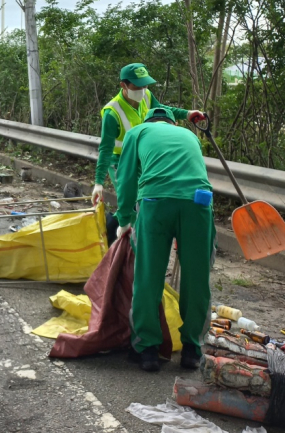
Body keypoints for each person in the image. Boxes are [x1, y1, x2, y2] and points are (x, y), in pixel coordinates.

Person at [115, 105, 213, 373]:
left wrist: (124, 219)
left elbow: (126, 179)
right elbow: (194, 173)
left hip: (155, 201)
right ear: (172, 123)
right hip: (198, 204)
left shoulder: (137, 132)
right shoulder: (189, 135)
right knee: (197, 278)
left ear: (149, 121)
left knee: (148, 275)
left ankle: (146, 349)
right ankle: (193, 349)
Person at [91, 63, 206, 239]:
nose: (142, 90)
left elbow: (163, 111)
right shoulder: (112, 112)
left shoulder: (146, 96)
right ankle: (123, 239)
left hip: (143, 157)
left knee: (145, 199)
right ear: (123, 85)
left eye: (145, 85)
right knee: (131, 201)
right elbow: (105, 149)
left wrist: (187, 114)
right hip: (120, 161)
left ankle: (125, 233)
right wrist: (99, 182)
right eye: (137, 86)